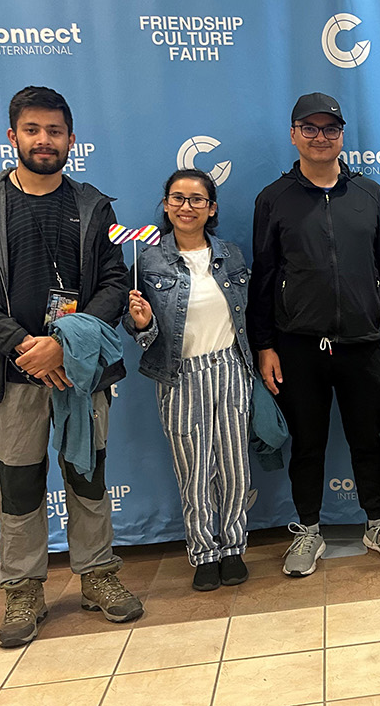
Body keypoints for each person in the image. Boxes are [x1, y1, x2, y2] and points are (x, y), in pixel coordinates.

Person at [0, 86, 143, 647]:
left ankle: (99, 574)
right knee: (20, 483)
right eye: (33, 130)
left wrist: (67, 345)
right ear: (13, 137)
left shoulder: (93, 204)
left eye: (55, 131)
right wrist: (26, 345)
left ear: (71, 140)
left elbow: (113, 282)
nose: (44, 140)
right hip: (12, 372)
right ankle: (23, 587)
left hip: (81, 373)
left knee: (88, 474)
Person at [249, 92, 380, 576]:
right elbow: (262, 277)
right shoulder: (273, 198)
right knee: (307, 442)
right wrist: (264, 346)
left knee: (368, 439)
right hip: (297, 346)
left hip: (364, 343)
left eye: (330, 129)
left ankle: (377, 522)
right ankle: (307, 530)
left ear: (342, 136)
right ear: (294, 133)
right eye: (310, 128)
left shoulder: (369, 194)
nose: (321, 137)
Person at [125, 169, 254, 591]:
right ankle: (204, 552)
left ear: (211, 208)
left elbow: (247, 316)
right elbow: (140, 329)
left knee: (235, 468)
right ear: (165, 205)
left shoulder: (231, 255)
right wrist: (140, 323)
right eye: (177, 198)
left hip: (231, 367)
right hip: (180, 374)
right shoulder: (147, 260)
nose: (186, 206)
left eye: (197, 199)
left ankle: (233, 547)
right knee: (194, 470)